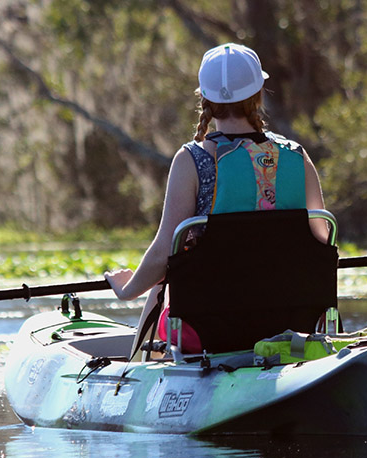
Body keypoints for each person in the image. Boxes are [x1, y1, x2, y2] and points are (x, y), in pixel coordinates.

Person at [103, 43, 329, 354]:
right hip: (293, 324)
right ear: (259, 93)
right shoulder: (296, 156)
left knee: (166, 276)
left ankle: (136, 369)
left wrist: (126, 290)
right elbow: (321, 239)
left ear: (205, 98)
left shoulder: (190, 160)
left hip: (206, 331)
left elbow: (161, 253)